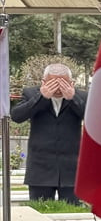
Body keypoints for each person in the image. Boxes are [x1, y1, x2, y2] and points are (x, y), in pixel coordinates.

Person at [11, 63, 88, 203]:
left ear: (71, 83)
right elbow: (16, 116)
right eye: (53, 83)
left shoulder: (82, 96)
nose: (58, 89)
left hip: (71, 168)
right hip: (40, 168)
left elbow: (93, 119)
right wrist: (41, 97)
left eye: (63, 83)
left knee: (72, 212)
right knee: (40, 213)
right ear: (43, 82)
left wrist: (73, 99)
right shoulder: (30, 93)